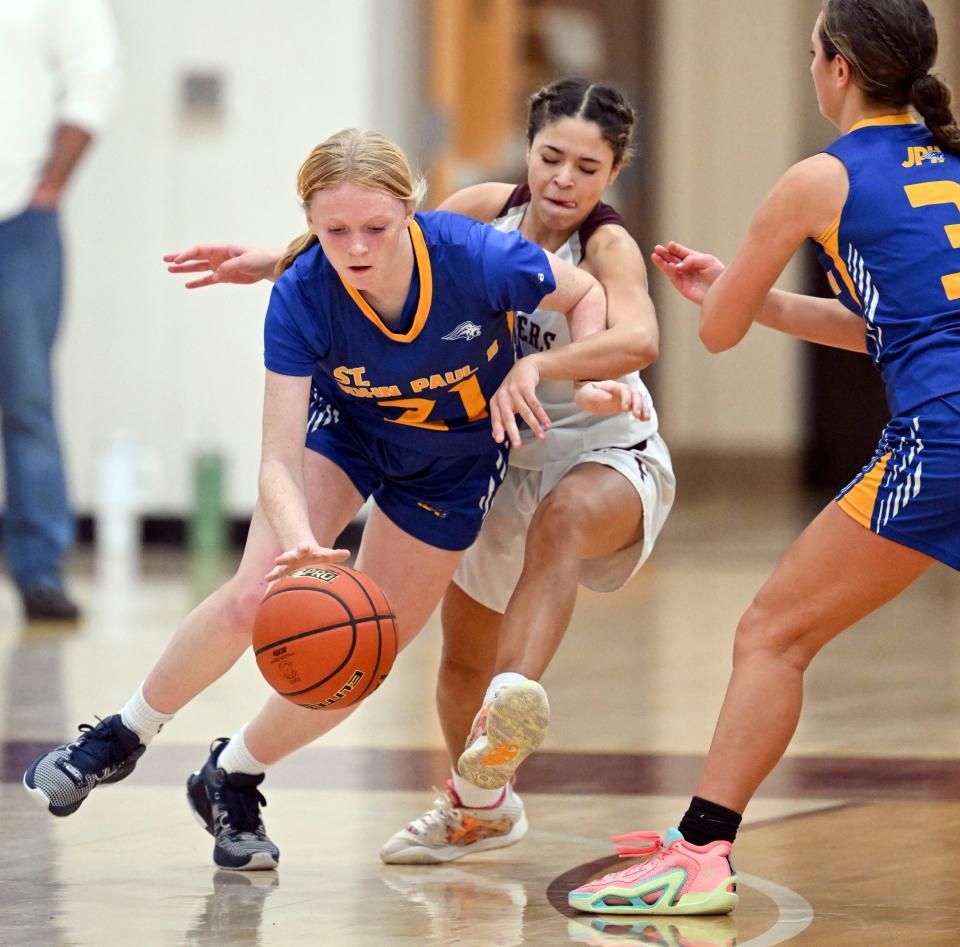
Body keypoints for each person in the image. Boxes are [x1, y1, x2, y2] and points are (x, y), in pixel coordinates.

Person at [23, 127, 623, 871]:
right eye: (334, 229)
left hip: (452, 464)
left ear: (411, 208)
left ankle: (232, 774)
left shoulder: (476, 257)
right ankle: (121, 734)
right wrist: (299, 536)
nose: (357, 246)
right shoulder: (304, 291)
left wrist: (580, 365)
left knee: (360, 653)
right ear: (308, 223)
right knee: (256, 593)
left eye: (375, 226)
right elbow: (277, 456)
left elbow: (588, 289)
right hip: (350, 435)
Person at [161, 78, 675, 866]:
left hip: (598, 439)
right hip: (498, 451)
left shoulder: (606, 247)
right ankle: (480, 803)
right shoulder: (479, 212)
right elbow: (380, 241)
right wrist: (273, 261)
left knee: (562, 524)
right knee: (455, 654)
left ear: (614, 173)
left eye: (588, 166)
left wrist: (553, 367)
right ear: (528, 151)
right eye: (551, 157)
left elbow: (638, 338)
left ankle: (517, 696)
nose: (565, 179)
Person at [568, 0, 960, 917]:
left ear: (837, 68)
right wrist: (765, 294)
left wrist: (726, 286)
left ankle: (699, 853)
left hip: (940, 441)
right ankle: (696, 844)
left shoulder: (816, 178)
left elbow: (712, 333)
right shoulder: (948, 162)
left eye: (811, 52)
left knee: (769, 635)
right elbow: (889, 330)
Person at [0, 0, 118, 620]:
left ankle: (38, 567)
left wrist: (48, 187)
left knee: (26, 397)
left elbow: (92, 78)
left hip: (18, 218)